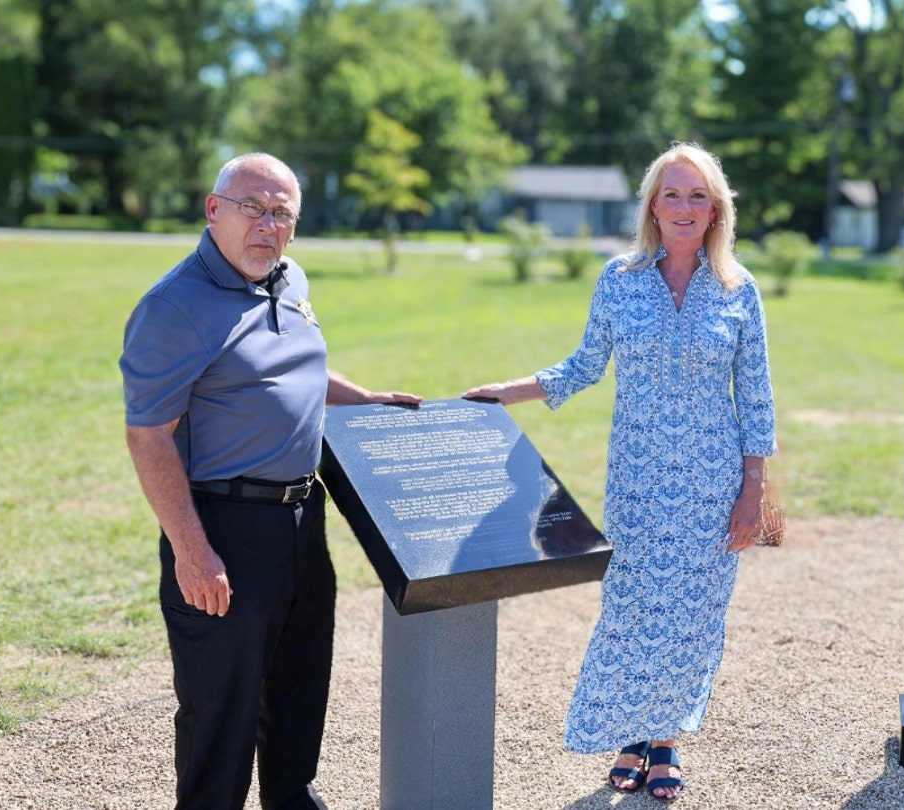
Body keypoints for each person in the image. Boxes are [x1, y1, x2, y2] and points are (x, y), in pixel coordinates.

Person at [463, 142, 776, 803]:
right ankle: (633, 735)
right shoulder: (620, 278)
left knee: (691, 612)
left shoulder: (738, 290)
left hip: (711, 484)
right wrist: (505, 392)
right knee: (632, 609)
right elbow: (583, 366)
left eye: (697, 195)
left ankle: (664, 742)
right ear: (653, 207)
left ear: (716, 208)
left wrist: (754, 490)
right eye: (672, 194)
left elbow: (756, 396)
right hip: (635, 480)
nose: (685, 207)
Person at [120, 152, 421, 810]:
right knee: (219, 713)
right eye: (253, 208)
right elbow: (148, 435)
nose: (268, 225)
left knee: (297, 687)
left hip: (300, 520)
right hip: (223, 527)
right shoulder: (176, 307)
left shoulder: (289, 279)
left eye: (283, 212)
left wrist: (365, 398)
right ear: (214, 209)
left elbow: (298, 371)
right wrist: (193, 553)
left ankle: (291, 799)